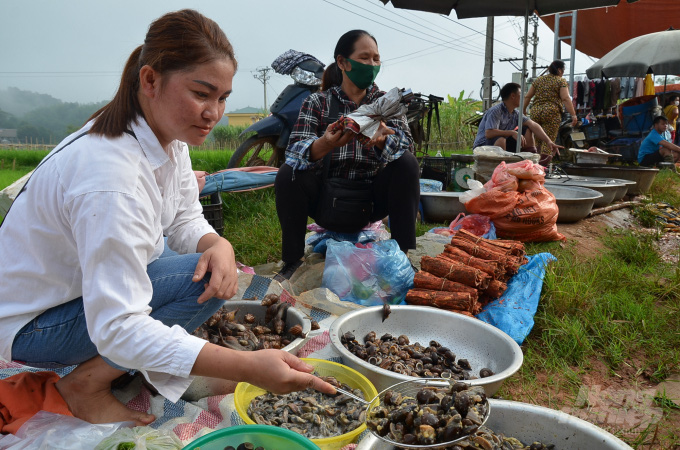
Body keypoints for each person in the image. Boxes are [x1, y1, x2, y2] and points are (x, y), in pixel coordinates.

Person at [0, 9, 334, 426]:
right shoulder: (111, 176)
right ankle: (85, 384)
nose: (214, 112)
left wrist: (218, 243)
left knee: (211, 269)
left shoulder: (167, 139)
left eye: (223, 97)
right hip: (33, 323)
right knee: (201, 284)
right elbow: (118, 326)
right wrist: (247, 367)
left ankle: (102, 373)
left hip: (75, 293)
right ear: (150, 80)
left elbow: (182, 218)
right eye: (202, 93)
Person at [274, 30, 419, 280]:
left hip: (371, 200)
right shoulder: (317, 103)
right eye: (364, 58)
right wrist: (324, 144)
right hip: (326, 200)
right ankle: (292, 260)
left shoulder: (388, 103)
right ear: (342, 62)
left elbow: (407, 147)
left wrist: (384, 140)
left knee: (406, 163)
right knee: (288, 174)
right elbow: (294, 151)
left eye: (376, 59)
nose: (372, 65)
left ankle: (402, 255)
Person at [473, 82, 563, 165]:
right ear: (513, 96)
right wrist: (512, 132)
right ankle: (502, 168)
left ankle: (531, 162)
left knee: (527, 129)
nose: (523, 98)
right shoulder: (496, 111)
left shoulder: (515, 113)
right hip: (483, 146)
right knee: (501, 139)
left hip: (502, 145)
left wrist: (549, 141)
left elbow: (533, 124)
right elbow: (489, 133)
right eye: (520, 95)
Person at [522, 60, 578, 163]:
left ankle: (535, 165)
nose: (563, 72)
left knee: (538, 140)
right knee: (549, 140)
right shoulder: (560, 81)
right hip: (551, 113)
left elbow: (528, 96)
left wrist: (523, 110)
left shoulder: (539, 80)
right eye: (563, 70)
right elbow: (565, 98)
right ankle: (543, 167)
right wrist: (573, 115)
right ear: (559, 70)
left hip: (536, 111)